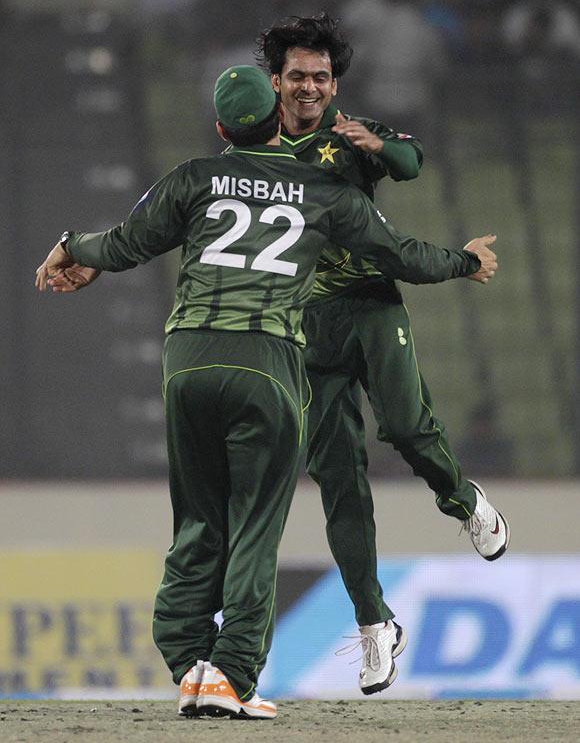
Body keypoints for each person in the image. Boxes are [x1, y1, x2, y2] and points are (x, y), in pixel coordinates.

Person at [35, 66, 497, 714]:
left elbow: (127, 242)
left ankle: (188, 659)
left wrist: (68, 247)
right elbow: (399, 255)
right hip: (267, 364)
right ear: (279, 115)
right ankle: (231, 676)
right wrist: (466, 261)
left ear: (221, 128)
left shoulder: (193, 178)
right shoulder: (325, 191)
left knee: (198, 518)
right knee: (255, 524)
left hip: (188, 361)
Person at [257, 13, 510, 695]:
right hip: (303, 325)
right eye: (298, 77)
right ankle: (375, 626)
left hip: (370, 303)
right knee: (338, 477)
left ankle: (463, 500)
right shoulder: (254, 148)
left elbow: (412, 161)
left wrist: (379, 141)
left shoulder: (351, 136)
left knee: (403, 425)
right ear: (276, 81)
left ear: (333, 81)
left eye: (321, 76)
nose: (310, 87)